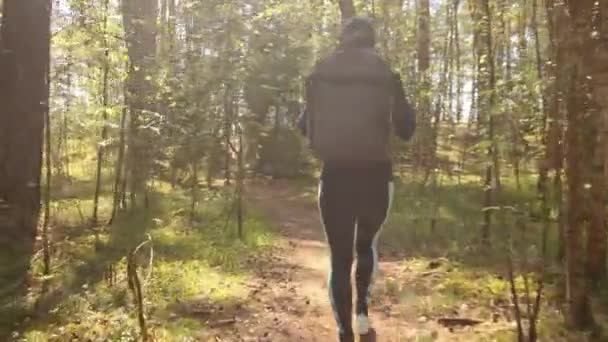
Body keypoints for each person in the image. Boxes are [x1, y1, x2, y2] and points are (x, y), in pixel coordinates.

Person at [298, 16, 416, 342]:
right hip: (376, 176)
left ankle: (343, 332)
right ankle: (362, 314)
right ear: (372, 40)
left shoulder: (323, 73)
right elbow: (406, 130)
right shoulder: (386, 75)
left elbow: (304, 126)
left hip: (335, 175)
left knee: (339, 256)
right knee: (366, 246)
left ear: (343, 40)